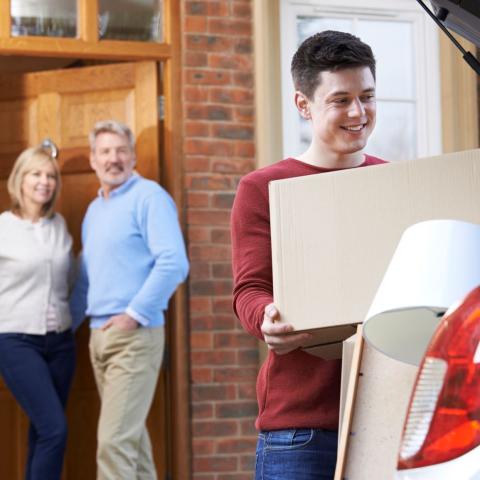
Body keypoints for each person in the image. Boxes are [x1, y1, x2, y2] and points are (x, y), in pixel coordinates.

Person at [231, 30, 387, 479]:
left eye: (368, 96)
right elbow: (250, 289)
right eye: (341, 100)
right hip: (302, 430)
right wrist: (267, 317)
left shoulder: (395, 184)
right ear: (304, 105)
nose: (358, 112)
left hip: (386, 418)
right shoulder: (263, 189)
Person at [70, 120, 189, 480]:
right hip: (98, 336)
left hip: (134, 337)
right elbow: (87, 278)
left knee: (114, 444)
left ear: (134, 156)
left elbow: (174, 263)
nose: (114, 158)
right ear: (93, 160)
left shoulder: (149, 197)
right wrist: (64, 327)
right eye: (105, 151)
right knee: (130, 444)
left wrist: (133, 315)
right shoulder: (95, 211)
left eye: (121, 150)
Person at [0, 143, 75, 480]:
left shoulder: (58, 224)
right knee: (55, 430)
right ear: (20, 179)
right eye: (36, 174)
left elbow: (70, 279)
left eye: (50, 176)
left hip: (61, 342)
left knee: (42, 433)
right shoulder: (3, 228)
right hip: (16, 341)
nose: (44, 181)